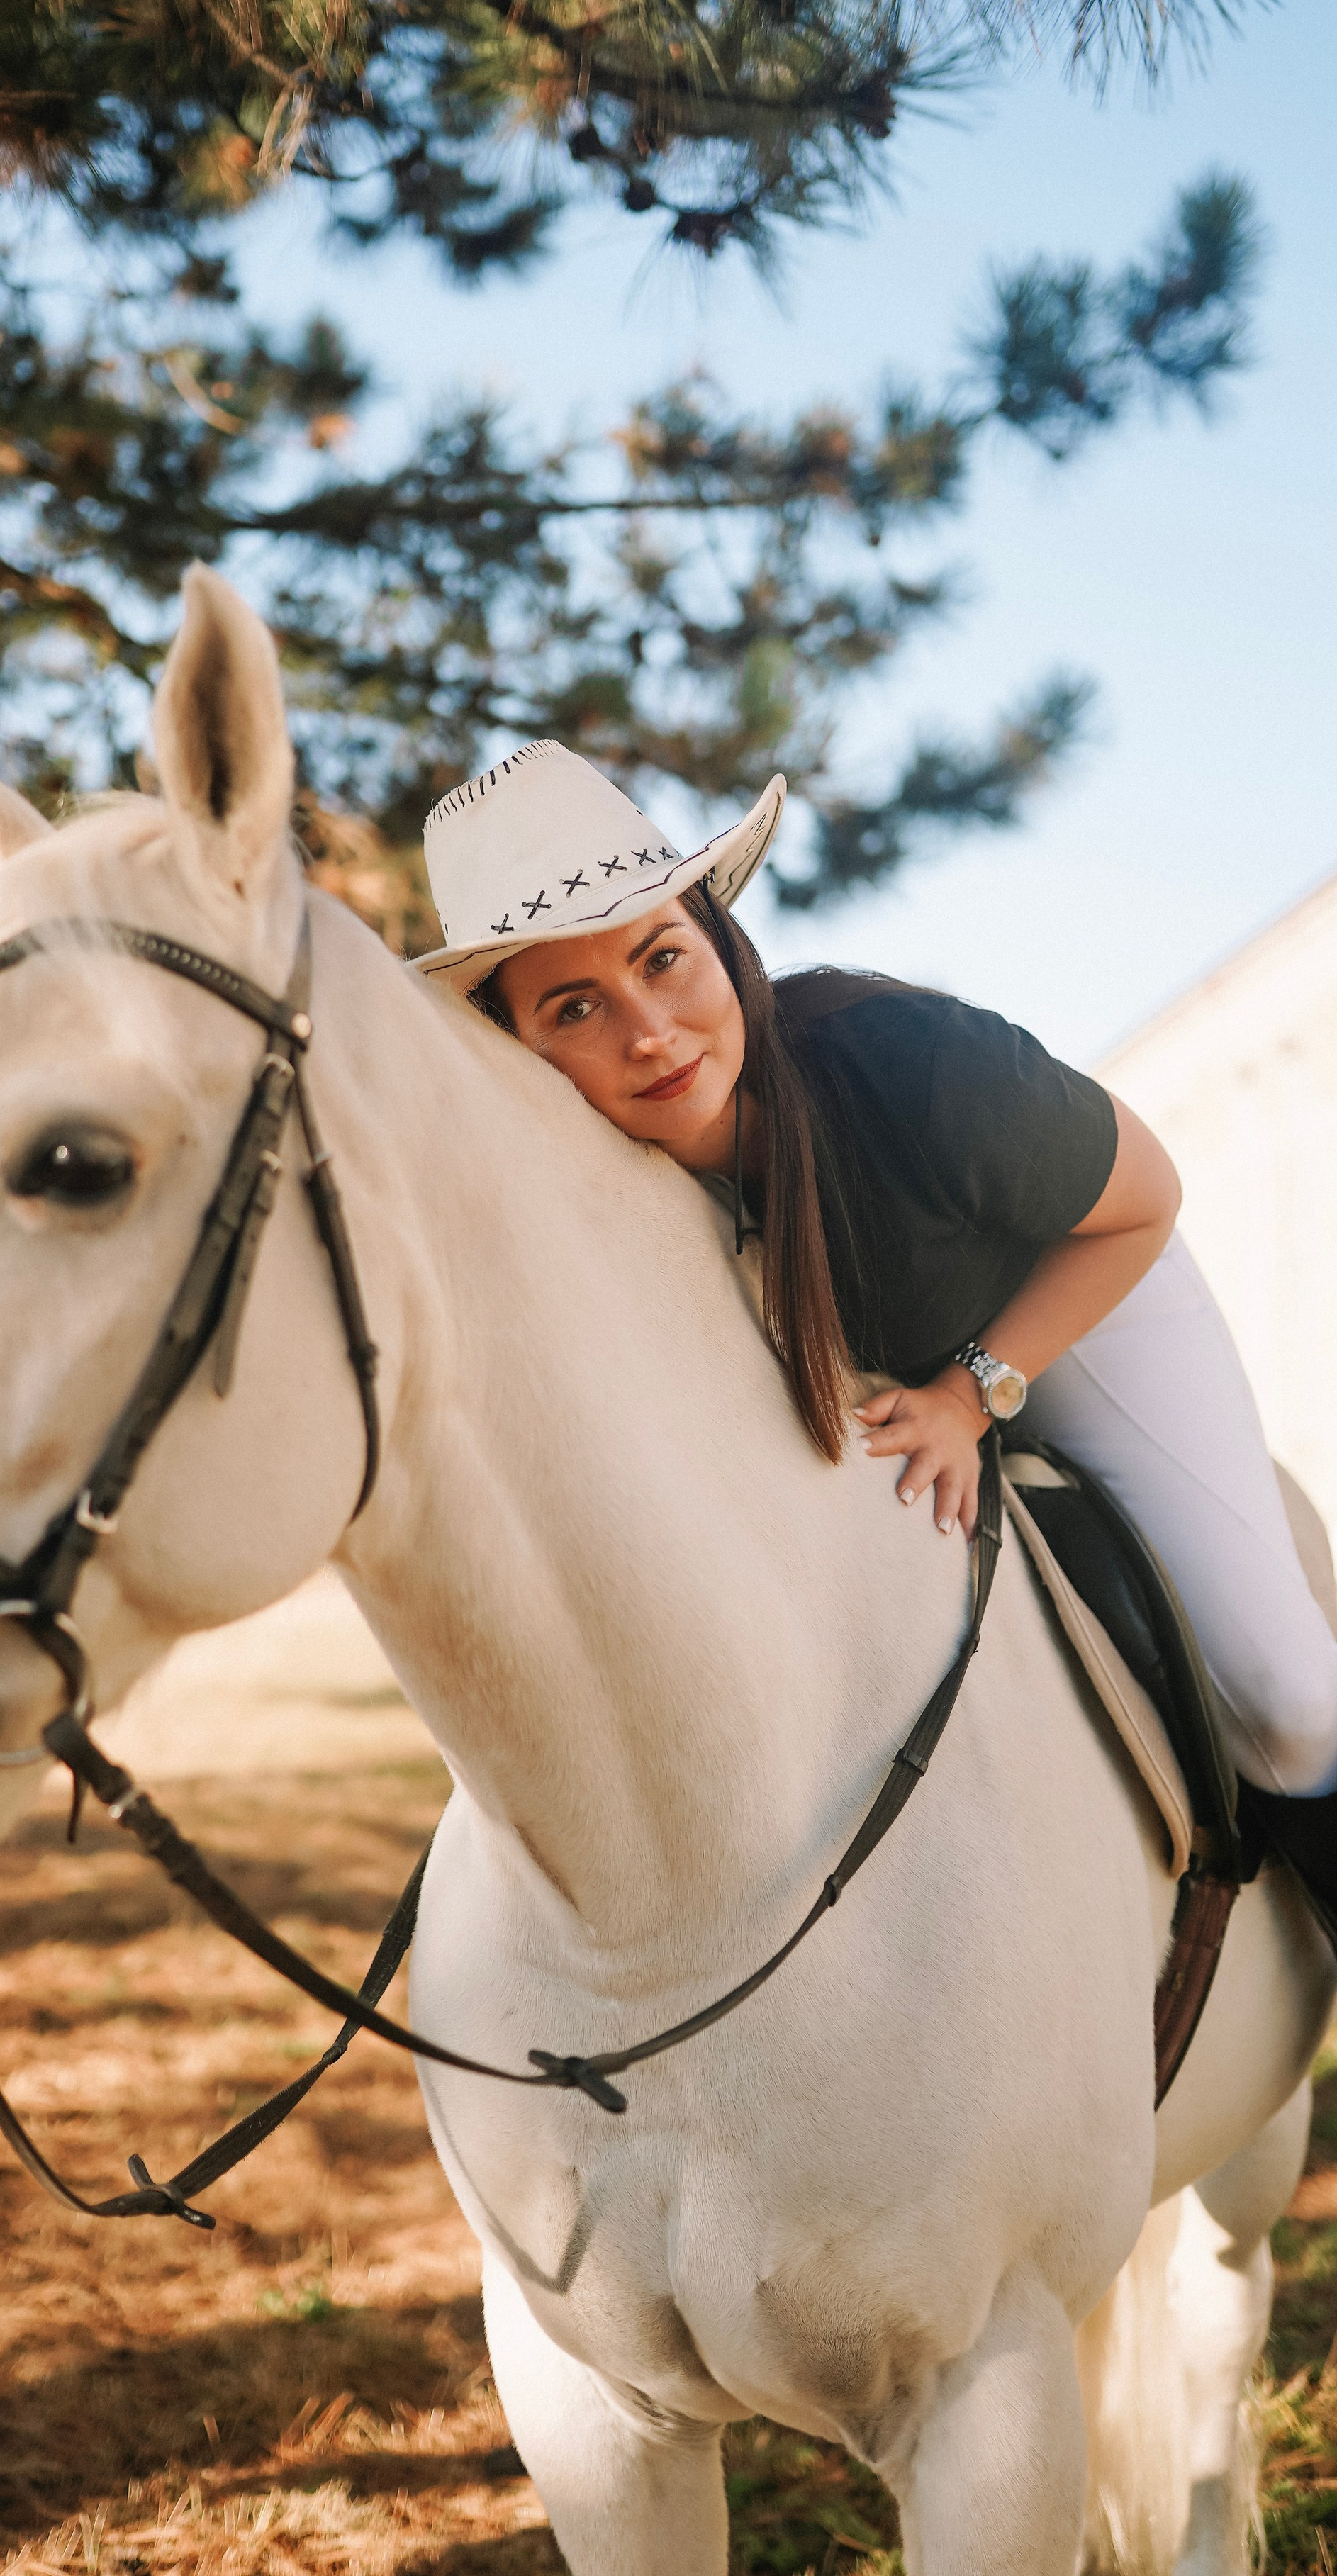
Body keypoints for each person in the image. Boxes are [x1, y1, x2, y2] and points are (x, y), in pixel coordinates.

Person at [414, 738, 1337, 1893]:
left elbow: (1145, 1200)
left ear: (722, 942)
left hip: (1081, 1303)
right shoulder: (589, 1204)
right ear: (522, 1048)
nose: (646, 1031)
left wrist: (974, 1391)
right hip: (904, 1389)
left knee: (1293, 1701)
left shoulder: (914, 1065)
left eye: (662, 958)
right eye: (575, 1007)